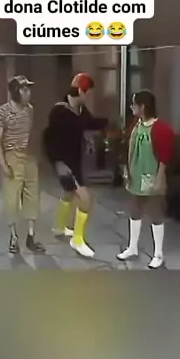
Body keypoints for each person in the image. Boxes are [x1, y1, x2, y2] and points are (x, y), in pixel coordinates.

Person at [43, 73, 108, 258]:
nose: (89, 97)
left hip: (75, 161)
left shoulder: (80, 109)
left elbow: (90, 122)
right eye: (88, 93)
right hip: (65, 163)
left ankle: (58, 227)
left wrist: (108, 122)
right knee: (86, 200)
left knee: (69, 193)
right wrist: (57, 162)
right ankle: (77, 239)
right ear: (80, 91)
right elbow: (48, 140)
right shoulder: (59, 112)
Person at [117, 89, 175, 269]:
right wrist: (126, 170)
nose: (132, 107)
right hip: (136, 174)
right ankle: (132, 247)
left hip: (152, 174)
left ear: (143, 106)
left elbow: (165, 156)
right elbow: (127, 147)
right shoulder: (136, 125)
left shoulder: (161, 129)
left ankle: (158, 254)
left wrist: (160, 176)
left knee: (155, 213)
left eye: (134, 104)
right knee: (135, 210)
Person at [0, 75, 45, 255]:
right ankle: (13, 237)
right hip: (12, 157)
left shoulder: (29, 110)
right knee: (12, 198)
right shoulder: (4, 111)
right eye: (24, 89)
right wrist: (3, 163)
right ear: (16, 92)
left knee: (32, 196)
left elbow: (31, 133)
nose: (28, 93)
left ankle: (31, 236)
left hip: (29, 157)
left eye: (28, 89)